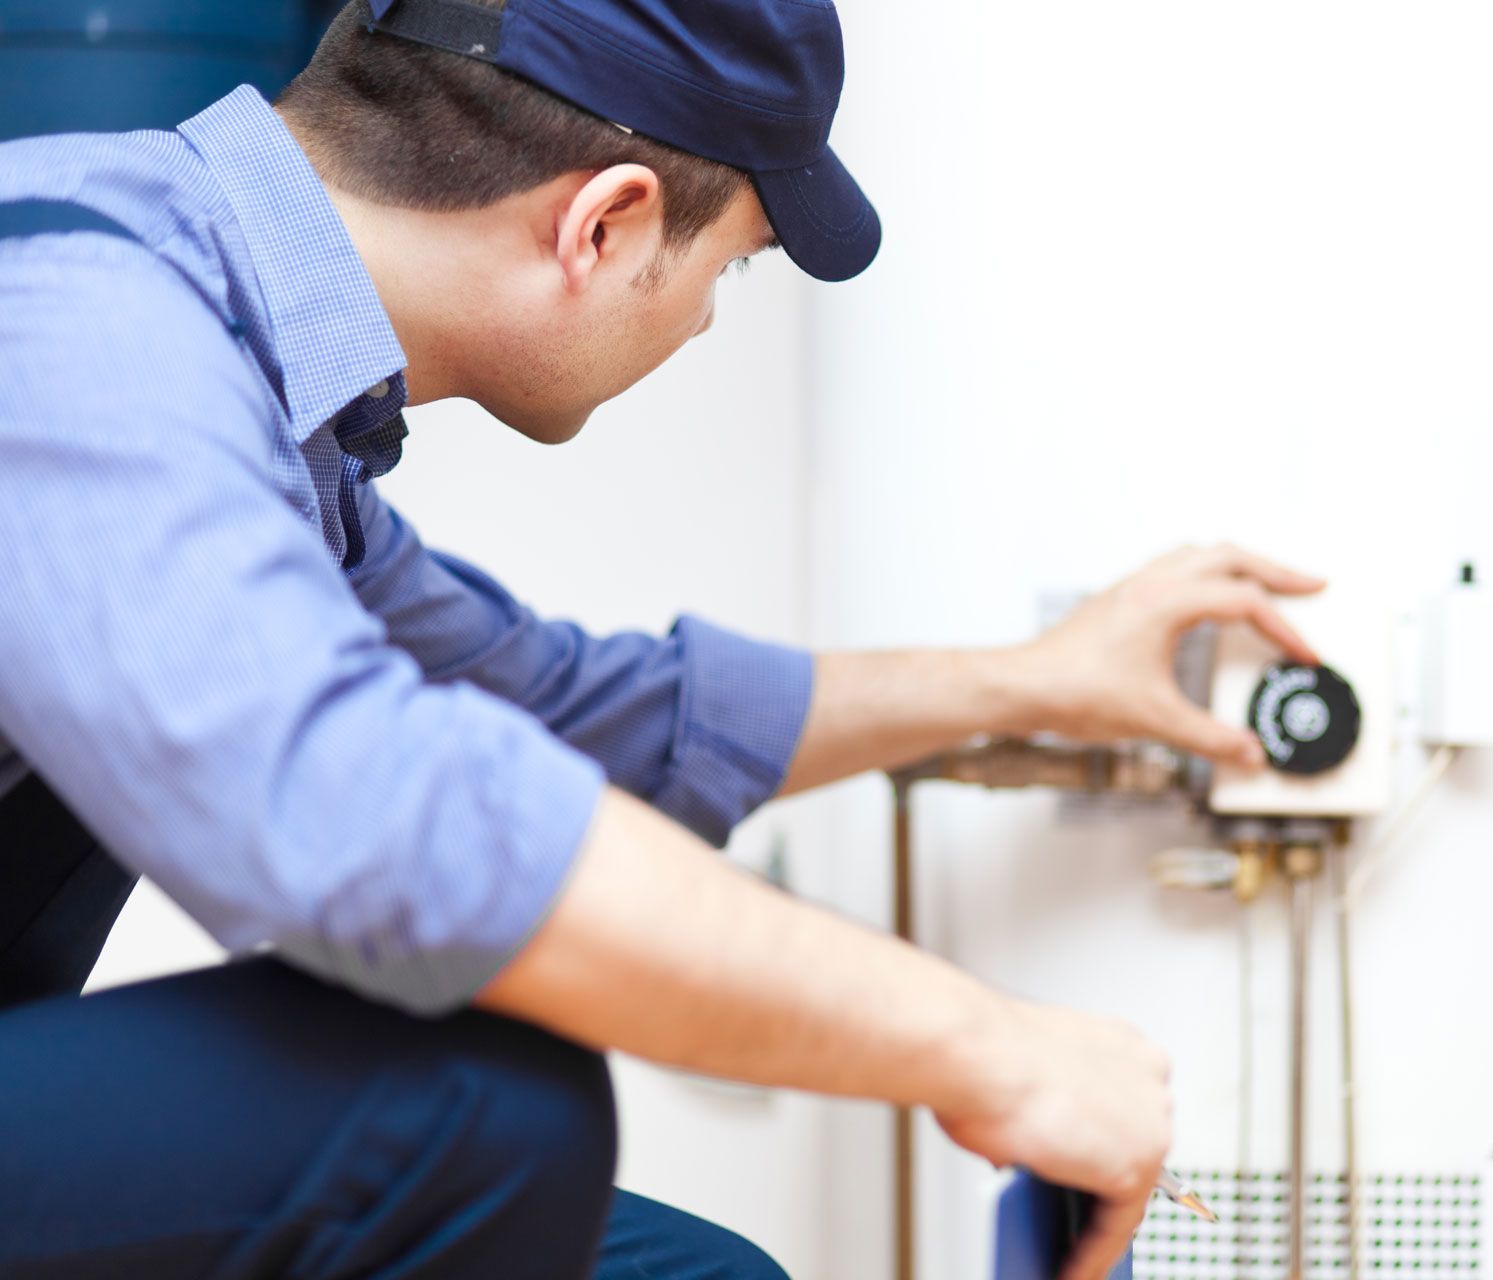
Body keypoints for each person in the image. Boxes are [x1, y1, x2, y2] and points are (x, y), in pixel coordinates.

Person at [0, 1, 1323, 1276]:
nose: (702, 317)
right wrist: (985, 1043)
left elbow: (566, 712)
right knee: (480, 1104)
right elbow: (382, 822)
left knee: (684, 1272)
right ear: (607, 224)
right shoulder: (81, 321)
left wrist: (1035, 685)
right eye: (731, 265)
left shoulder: (253, 382)